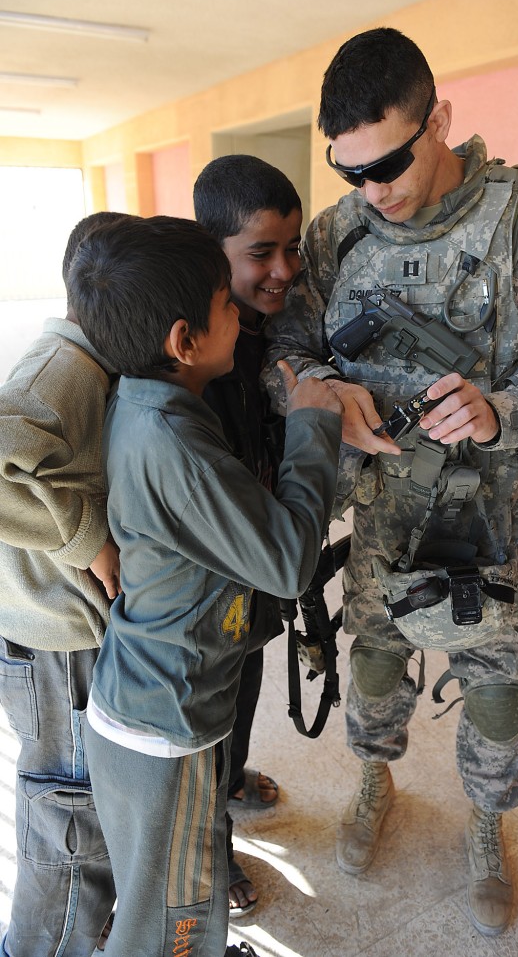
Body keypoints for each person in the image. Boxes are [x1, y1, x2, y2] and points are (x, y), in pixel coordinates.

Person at [262, 27, 518, 937]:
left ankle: (484, 824)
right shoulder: (337, 235)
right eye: (350, 172)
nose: (372, 189)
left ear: (443, 121)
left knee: (497, 686)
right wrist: (321, 395)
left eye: (389, 162)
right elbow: (280, 353)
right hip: (384, 519)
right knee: (376, 661)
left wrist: (504, 411)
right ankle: (371, 784)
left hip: (497, 526)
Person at [67, 213, 342, 957]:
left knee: (156, 897)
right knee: (179, 915)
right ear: (184, 340)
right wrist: (317, 427)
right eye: (229, 303)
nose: (244, 312)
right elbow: (286, 560)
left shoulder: (147, 403)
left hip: (145, 700)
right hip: (168, 727)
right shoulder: (177, 446)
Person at [0, 212, 127, 957]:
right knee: (74, 829)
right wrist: (88, 537)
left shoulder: (86, 362)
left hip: (59, 640)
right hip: (59, 652)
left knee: (81, 818)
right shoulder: (63, 369)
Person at [193, 153, 303, 918]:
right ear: (211, 254)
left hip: (256, 579)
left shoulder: (267, 328)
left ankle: (232, 779)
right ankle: (211, 846)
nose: (283, 271)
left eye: (291, 249)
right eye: (260, 252)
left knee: (246, 687)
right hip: (206, 588)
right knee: (206, 715)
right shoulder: (189, 350)